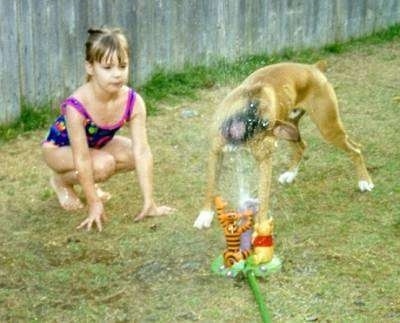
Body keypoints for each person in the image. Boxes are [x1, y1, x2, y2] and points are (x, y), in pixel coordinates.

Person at [42, 27, 174, 231]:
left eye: (122, 66)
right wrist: (93, 202)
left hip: (95, 145)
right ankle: (61, 181)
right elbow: (82, 157)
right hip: (59, 149)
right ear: (90, 67)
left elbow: (142, 151)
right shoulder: (76, 105)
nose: (117, 74)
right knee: (103, 165)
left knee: (132, 154)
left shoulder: (133, 101)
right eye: (107, 67)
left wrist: (150, 202)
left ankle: (89, 180)